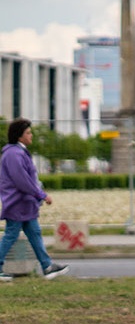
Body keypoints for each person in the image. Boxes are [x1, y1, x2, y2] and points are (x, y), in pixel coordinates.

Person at [0, 119, 69, 281]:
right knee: (11, 234)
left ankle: (47, 266)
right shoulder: (13, 154)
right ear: (19, 136)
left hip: (25, 204)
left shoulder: (18, 152)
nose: (31, 136)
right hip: (18, 203)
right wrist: (41, 194)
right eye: (28, 133)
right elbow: (22, 180)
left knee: (35, 233)